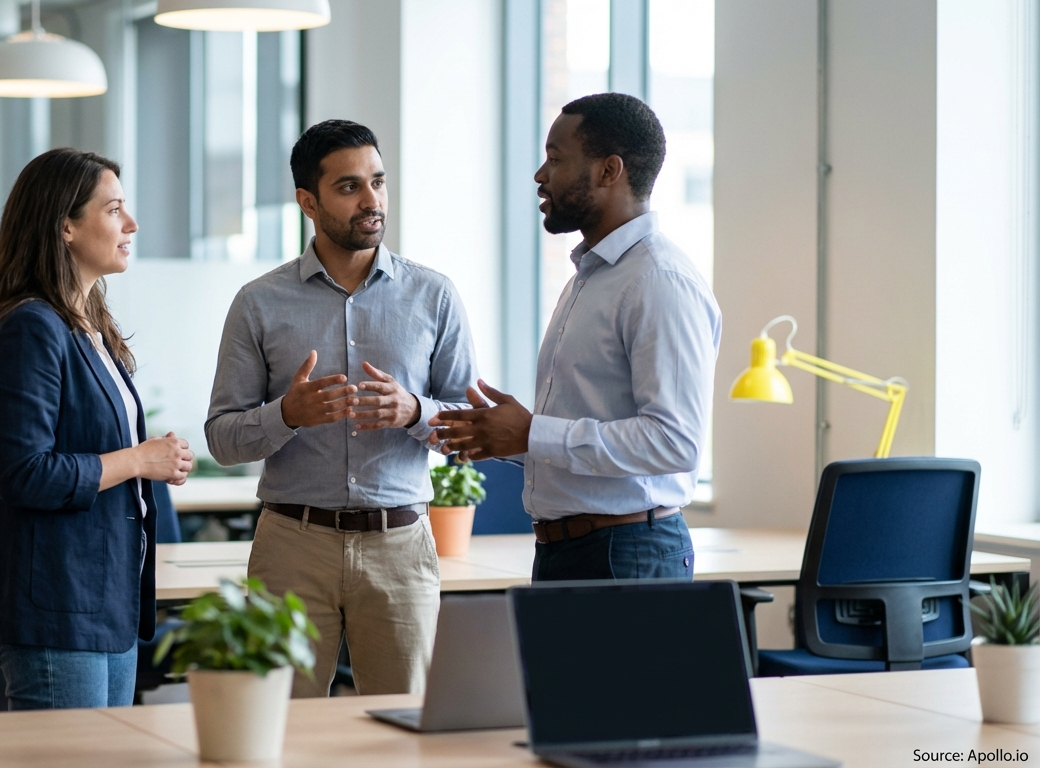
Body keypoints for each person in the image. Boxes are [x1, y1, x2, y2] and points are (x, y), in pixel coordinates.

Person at [206, 120, 476, 697]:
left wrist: (414, 412)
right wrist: (287, 414)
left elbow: (471, 432)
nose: (372, 200)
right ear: (308, 201)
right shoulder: (258, 302)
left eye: (378, 181)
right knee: (280, 729)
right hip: (292, 546)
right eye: (349, 187)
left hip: (400, 546)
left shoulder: (435, 296)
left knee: (403, 736)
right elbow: (223, 440)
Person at [430, 92, 721, 582]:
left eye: (556, 159)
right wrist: (503, 434)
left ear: (610, 171)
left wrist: (531, 431)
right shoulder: (592, 275)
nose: (541, 176)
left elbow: (675, 442)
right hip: (573, 551)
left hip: (626, 553)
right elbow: (586, 430)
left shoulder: (658, 282)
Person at [0, 148, 195, 709]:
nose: (131, 224)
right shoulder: (31, 327)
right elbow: (24, 473)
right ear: (65, 226)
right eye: (114, 210)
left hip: (103, 599)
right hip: (55, 605)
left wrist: (153, 457)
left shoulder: (90, 327)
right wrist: (140, 460)